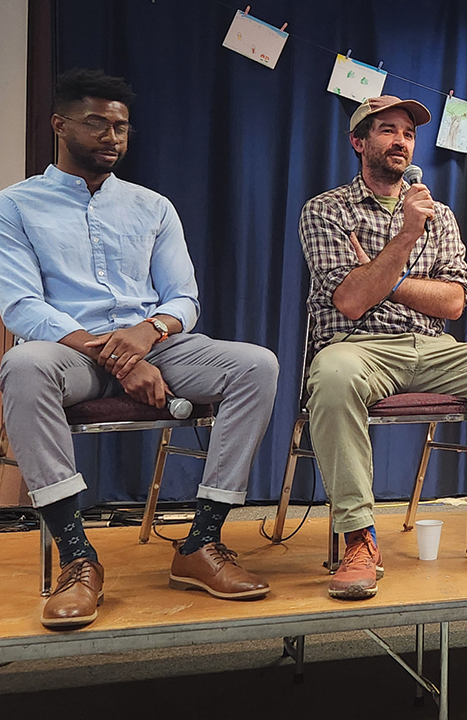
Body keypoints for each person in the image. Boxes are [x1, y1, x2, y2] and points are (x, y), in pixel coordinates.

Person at [0, 70, 280, 629]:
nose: (112, 137)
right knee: (22, 364)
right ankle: (78, 559)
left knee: (256, 365)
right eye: (97, 123)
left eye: (121, 127)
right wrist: (113, 354)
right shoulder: (16, 205)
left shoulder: (152, 206)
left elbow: (183, 298)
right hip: (69, 352)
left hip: (153, 344)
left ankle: (200, 544)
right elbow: (21, 305)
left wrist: (146, 337)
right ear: (59, 125)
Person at [299, 95, 467, 600]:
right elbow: (353, 301)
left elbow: (451, 303)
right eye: (386, 130)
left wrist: (386, 273)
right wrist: (405, 238)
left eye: (407, 132)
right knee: (331, 375)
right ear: (359, 143)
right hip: (359, 348)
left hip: (434, 349)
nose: (400, 140)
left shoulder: (440, 215)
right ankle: (359, 537)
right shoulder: (326, 210)